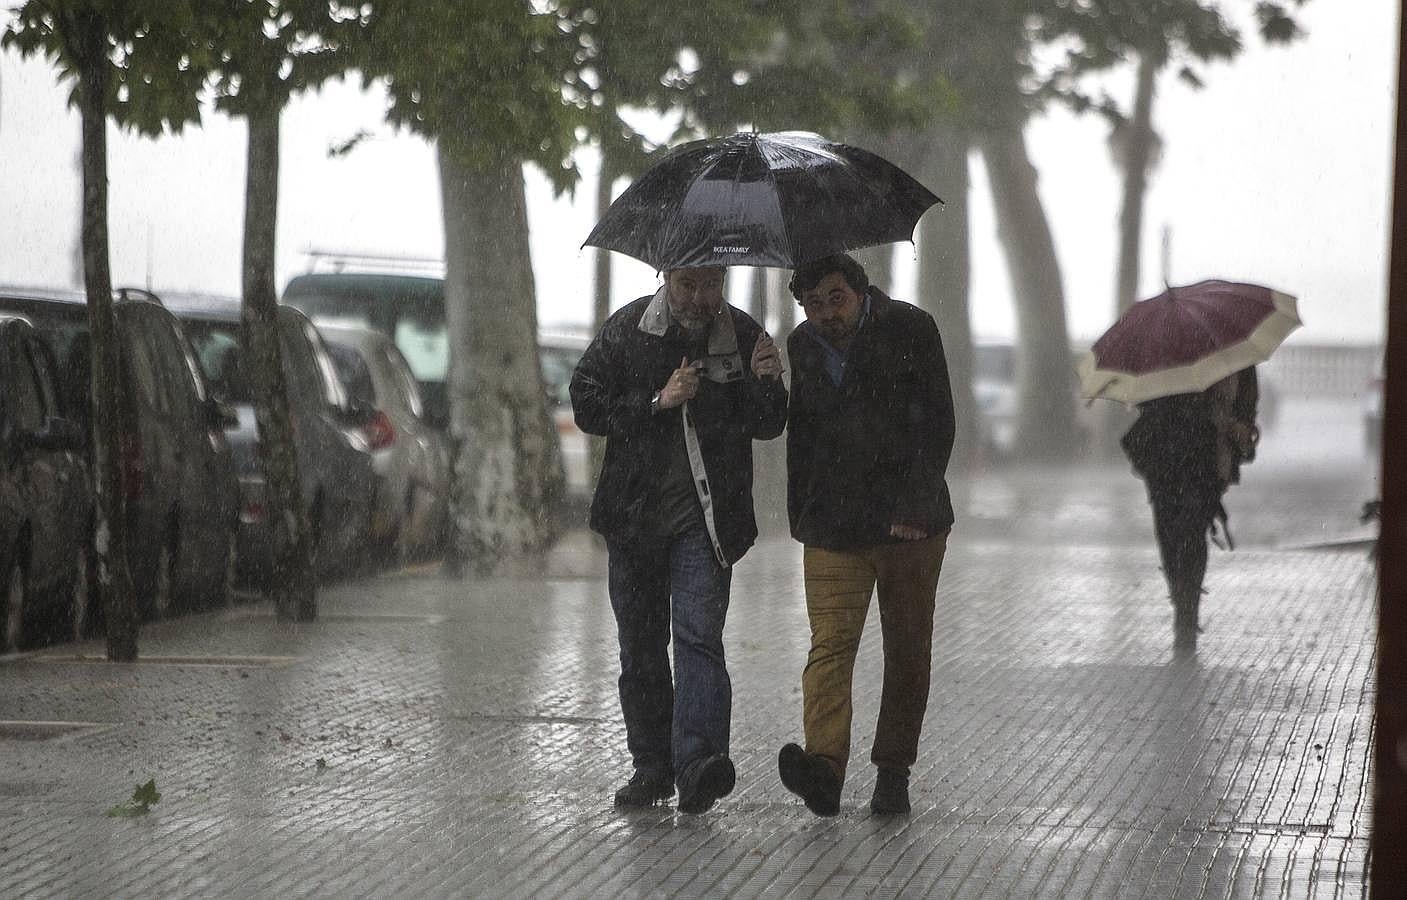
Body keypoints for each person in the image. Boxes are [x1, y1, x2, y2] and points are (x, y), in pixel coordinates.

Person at [570, 265, 787, 813]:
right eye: (688, 284)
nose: (699, 297)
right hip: (635, 520)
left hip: (707, 523)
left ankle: (698, 765)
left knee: (698, 640)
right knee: (641, 648)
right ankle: (651, 767)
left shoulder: (741, 335)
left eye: (711, 284)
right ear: (666, 277)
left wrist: (767, 380)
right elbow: (586, 403)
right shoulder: (628, 329)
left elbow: (767, 425)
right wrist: (656, 399)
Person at [775, 253, 956, 817]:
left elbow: (938, 422)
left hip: (908, 525)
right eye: (813, 302)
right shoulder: (801, 345)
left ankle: (893, 771)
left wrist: (914, 504)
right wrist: (800, 512)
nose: (825, 311)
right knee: (829, 645)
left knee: (906, 648)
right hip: (832, 523)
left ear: (860, 291)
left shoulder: (911, 328)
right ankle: (824, 768)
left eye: (836, 297)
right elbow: (801, 431)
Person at [1121, 366, 1260, 649]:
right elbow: (1144, 397)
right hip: (1163, 455)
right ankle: (1180, 595)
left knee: (1192, 531)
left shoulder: (1234, 356)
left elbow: (1246, 406)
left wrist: (1238, 425)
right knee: (1169, 533)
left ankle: (1187, 611)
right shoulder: (1164, 351)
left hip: (1205, 460)